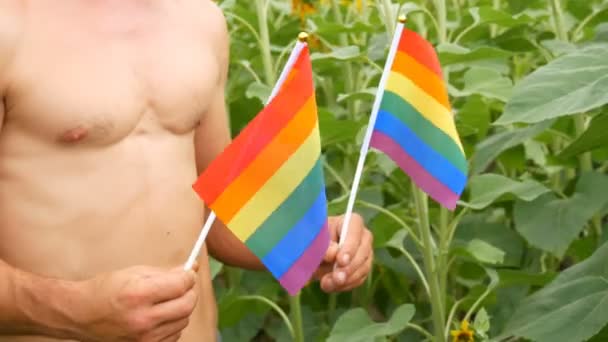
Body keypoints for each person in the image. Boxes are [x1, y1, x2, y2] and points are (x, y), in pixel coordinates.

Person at [0, 1, 374, 341]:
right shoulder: (9, 25)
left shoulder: (198, 21)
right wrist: (77, 311)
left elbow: (215, 213)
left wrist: (307, 243)